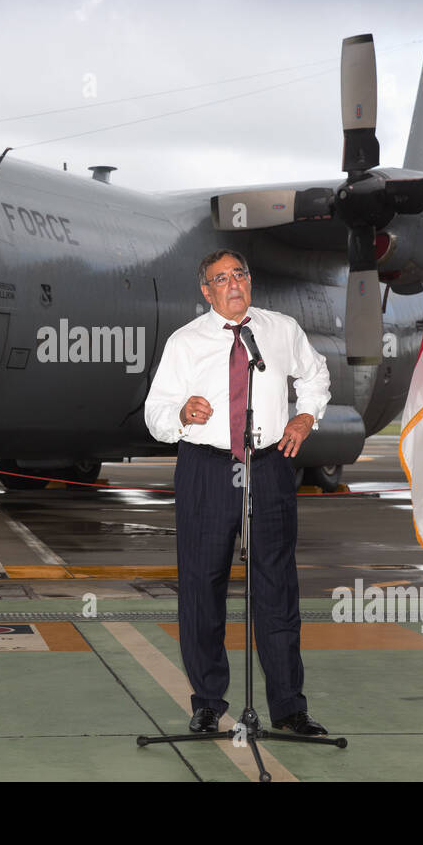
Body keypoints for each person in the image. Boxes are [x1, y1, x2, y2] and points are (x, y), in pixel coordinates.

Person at [144, 248, 332, 735]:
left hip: (268, 466)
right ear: (206, 291)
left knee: (276, 588)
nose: (232, 284)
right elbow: (155, 412)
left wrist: (306, 416)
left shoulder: (280, 330)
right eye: (220, 278)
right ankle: (208, 702)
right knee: (202, 587)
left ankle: (289, 708)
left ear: (250, 280)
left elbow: (315, 375)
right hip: (207, 469)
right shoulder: (185, 343)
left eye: (239, 274)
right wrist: (182, 414)